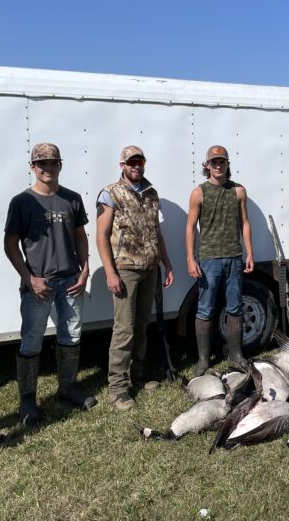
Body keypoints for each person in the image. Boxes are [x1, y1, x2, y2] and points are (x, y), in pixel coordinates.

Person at [4, 143, 97, 428]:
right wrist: (28, 278)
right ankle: (28, 399)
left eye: (53, 163)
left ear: (60, 165)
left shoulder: (71, 199)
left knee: (71, 335)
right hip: (38, 285)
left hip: (70, 281)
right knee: (31, 340)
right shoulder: (22, 201)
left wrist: (84, 271)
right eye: (41, 163)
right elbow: (10, 245)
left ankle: (67, 388)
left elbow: (80, 236)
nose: (47, 168)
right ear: (32, 167)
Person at [96, 146, 174, 411]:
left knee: (141, 325)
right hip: (125, 269)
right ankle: (117, 388)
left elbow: (157, 232)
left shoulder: (151, 193)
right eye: (131, 163)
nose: (136, 167)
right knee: (124, 328)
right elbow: (101, 235)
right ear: (122, 165)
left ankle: (136, 377)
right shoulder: (111, 193)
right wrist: (110, 272)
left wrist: (167, 263)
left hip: (150, 267)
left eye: (139, 162)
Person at [186, 145, 254, 376]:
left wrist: (250, 253)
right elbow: (190, 227)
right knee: (205, 309)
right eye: (213, 162)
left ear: (227, 164)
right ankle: (204, 360)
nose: (218, 166)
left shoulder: (239, 191)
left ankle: (236, 354)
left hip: (234, 258)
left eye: (222, 162)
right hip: (209, 260)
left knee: (235, 307)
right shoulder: (199, 192)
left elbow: (245, 223)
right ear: (207, 165)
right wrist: (190, 258)